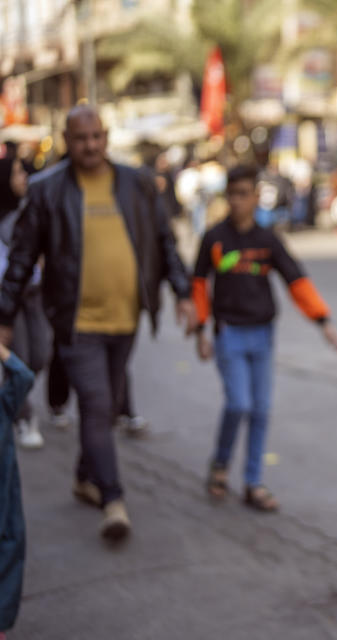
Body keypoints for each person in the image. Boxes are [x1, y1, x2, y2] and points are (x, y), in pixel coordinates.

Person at [0, 105, 196, 541]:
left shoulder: (138, 183)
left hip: (124, 319)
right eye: (80, 138)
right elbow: (21, 260)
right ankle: (112, 498)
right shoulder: (46, 190)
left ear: (106, 137)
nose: (89, 145)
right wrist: (5, 317)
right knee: (94, 404)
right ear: (69, 140)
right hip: (76, 322)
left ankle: (85, 477)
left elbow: (163, 241)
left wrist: (183, 293)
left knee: (105, 408)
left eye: (96, 137)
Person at [192, 165, 337, 512]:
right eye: (232, 195)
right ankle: (220, 464)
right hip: (228, 333)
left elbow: (296, 281)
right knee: (238, 404)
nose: (238, 201)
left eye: (244, 194)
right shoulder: (214, 238)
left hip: (262, 334)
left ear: (256, 197)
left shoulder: (268, 240)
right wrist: (200, 329)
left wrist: (324, 322)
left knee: (260, 410)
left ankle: (252, 482)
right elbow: (198, 284)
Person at [0, 150, 47, 449]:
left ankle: (13, 400)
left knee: (40, 353)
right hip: (8, 298)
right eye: (16, 173)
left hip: (33, 295)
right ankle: (22, 415)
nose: (22, 178)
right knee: (20, 360)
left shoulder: (31, 209)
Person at [0, 319, 35, 639]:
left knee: (10, 549)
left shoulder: (4, 403)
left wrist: (2, 352)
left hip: (5, 497)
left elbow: (24, 376)